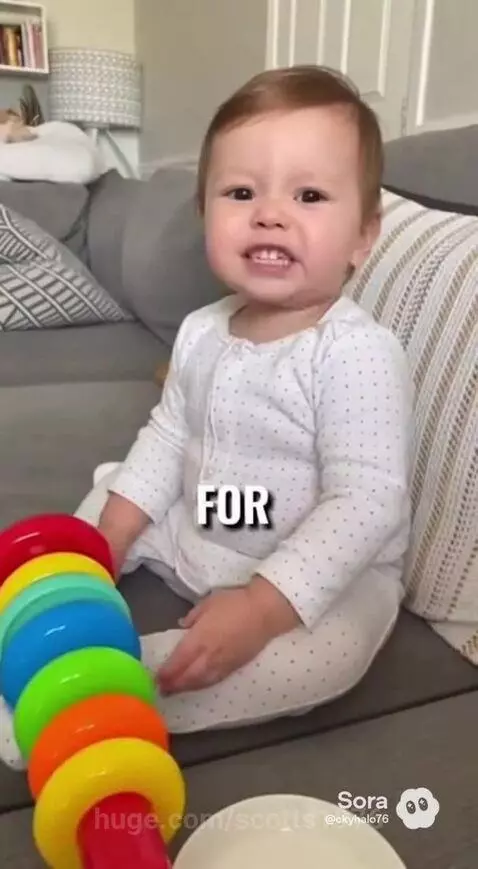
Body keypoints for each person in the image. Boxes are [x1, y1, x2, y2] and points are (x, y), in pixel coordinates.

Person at [0, 65, 414, 769]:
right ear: (206, 214)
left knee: (327, 658)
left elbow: (367, 500)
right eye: (241, 192)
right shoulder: (202, 330)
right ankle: (72, 585)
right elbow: (168, 435)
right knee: (115, 488)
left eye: (309, 195)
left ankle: (101, 693)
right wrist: (115, 534)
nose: (270, 213)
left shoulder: (355, 352)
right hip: (207, 519)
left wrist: (261, 606)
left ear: (362, 237)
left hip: (319, 574)